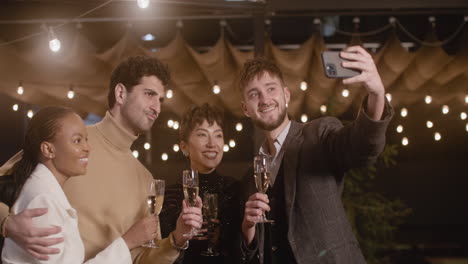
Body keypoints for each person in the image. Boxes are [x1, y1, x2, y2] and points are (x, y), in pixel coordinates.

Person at [0, 56, 203, 263]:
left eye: (160, 100)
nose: (156, 108)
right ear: (121, 93)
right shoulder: (68, 145)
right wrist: (6, 224)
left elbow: (143, 259)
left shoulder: (145, 178)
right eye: (149, 94)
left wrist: (177, 239)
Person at [238, 47, 394, 264]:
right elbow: (255, 252)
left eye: (271, 89)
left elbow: (361, 148)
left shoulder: (318, 135)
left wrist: (376, 93)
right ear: (246, 108)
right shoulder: (250, 179)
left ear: (286, 95)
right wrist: (248, 228)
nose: (264, 99)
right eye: (254, 94)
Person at [1, 106, 157, 263]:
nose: (87, 148)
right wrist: (127, 243)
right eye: (77, 141)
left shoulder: (44, 191)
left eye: (86, 139)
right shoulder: (43, 202)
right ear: (48, 149)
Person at [160, 103, 242, 264]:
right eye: (202, 135)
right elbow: (162, 257)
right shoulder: (170, 196)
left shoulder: (236, 190)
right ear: (184, 147)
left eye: (218, 135)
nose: (212, 143)